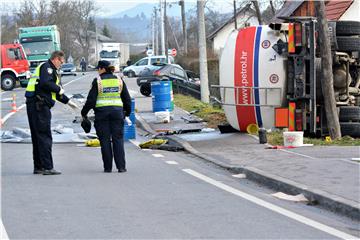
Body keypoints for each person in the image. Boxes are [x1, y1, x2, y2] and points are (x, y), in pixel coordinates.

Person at [25, 50, 79, 175]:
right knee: (44, 136)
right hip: (39, 105)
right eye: (61, 61)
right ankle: (48, 167)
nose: (62, 63)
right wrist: (58, 89)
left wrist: (68, 101)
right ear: (55, 59)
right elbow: (46, 84)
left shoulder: (50, 70)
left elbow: (55, 92)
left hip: (35, 104)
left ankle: (38, 166)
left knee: (37, 136)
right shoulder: (47, 68)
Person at [81, 60, 132, 173]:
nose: (98, 71)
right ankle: (121, 167)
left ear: (103, 69)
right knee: (118, 140)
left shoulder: (98, 81)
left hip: (102, 114)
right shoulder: (119, 80)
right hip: (117, 114)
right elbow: (127, 99)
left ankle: (108, 168)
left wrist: (84, 113)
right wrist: (127, 113)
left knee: (104, 141)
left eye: (98, 69)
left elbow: (91, 100)